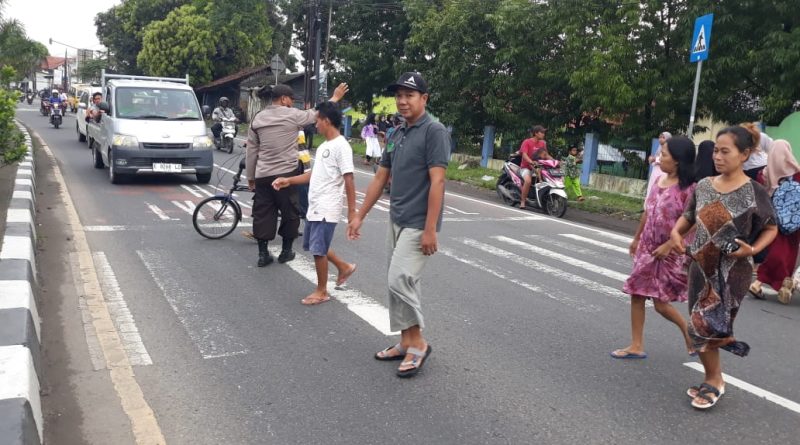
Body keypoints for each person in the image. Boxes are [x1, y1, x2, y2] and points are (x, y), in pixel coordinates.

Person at [347, 72, 449, 378]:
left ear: (424, 98)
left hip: (419, 222)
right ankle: (405, 341)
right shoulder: (396, 133)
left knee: (400, 279)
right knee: (399, 283)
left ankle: (418, 343)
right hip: (397, 218)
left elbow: (438, 181)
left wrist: (430, 228)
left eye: (410, 95)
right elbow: (381, 177)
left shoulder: (434, 131)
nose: (403, 101)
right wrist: (359, 215)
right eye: (399, 96)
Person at [670, 125, 778, 410]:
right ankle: (715, 373)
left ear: (744, 154)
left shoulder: (755, 192)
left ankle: (714, 380)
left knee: (701, 325)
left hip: (732, 272)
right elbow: (688, 215)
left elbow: (771, 227)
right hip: (699, 267)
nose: (717, 156)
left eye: (725, 151)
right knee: (705, 326)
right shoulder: (704, 186)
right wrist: (676, 233)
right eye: (716, 151)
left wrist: (752, 249)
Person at [611, 136, 697, 360]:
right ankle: (636, 345)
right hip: (647, 247)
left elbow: (694, 221)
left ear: (677, 160)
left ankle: (689, 331)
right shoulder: (659, 179)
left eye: (664, 155)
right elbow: (648, 212)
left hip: (670, 252)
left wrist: (669, 245)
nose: (659, 159)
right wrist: (636, 238)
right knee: (637, 293)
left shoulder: (689, 189)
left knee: (660, 303)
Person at [246, 83, 348, 267]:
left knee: (263, 213)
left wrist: (251, 178)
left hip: (263, 175)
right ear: (284, 99)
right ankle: (286, 251)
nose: (292, 103)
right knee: (290, 212)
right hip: (286, 173)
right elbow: (317, 114)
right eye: (291, 99)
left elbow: (252, 151)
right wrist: (335, 97)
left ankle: (263, 254)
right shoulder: (292, 115)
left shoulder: (257, 117)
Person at [272, 102, 358, 305]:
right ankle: (344, 267)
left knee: (318, 250)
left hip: (327, 206)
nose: (315, 124)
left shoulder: (341, 146)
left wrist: (352, 212)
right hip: (315, 205)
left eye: (317, 120)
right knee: (315, 245)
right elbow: (313, 175)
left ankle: (322, 291)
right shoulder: (324, 147)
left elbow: (349, 179)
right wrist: (289, 180)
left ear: (326, 121)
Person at [750, 140, 800, 304]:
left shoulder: (764, 173)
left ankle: (782, 283)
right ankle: (765, 283)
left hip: (770, 220)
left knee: (775, 250)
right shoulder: (796, 173)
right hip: (792, 221)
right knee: (785, 252)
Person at [517, 125, 548, 209]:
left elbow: (546, 155)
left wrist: (555, 161)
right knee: (528, 181)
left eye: (544, 132)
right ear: (536, 133)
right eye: (542, 132)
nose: (543, 134)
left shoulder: (543, 143)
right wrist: (531, 162)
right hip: (526, 167)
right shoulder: (527, 142)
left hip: (539, 167)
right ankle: (523, 201)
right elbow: (524, 155)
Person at [646, 131, 671, 198]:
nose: (660, 139)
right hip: (655, 171)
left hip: (663, 172)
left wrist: (655, 159)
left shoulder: (670, 149)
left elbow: (668, 160)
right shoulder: (659, 148)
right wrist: (652, 159)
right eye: (660, 137)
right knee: (651, 188)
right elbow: (656, 159)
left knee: (659, 190)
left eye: (663, 137)